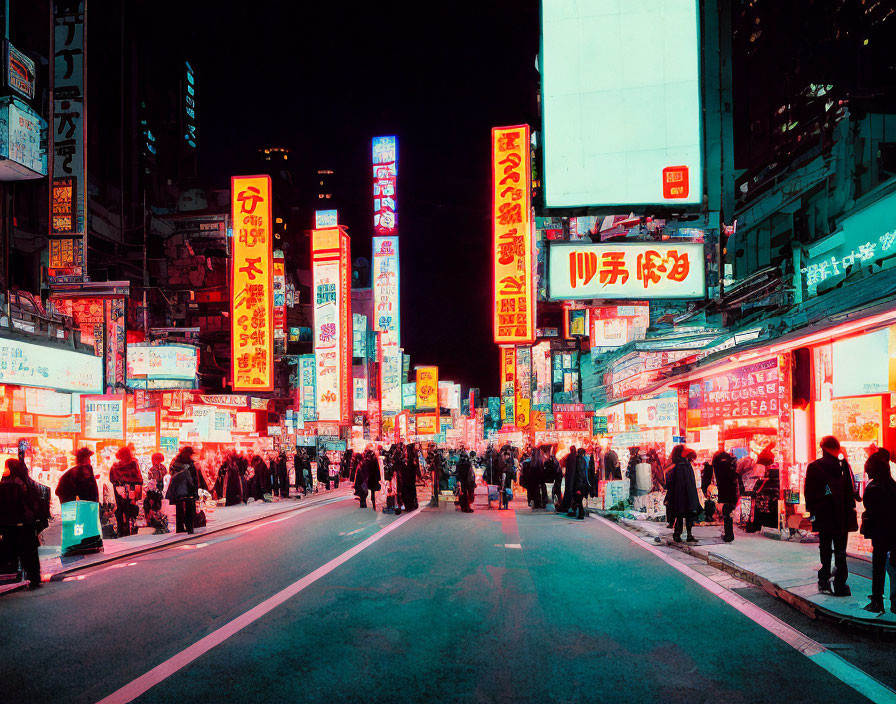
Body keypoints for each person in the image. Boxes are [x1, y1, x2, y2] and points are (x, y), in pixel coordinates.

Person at [804, 436, 859, 596]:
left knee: (825, 547)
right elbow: (851, 491)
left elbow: (809, 493)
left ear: (822, 448)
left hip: (823, 514)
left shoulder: (814, 466)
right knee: (841, 549)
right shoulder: (844, 466)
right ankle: (840, 584)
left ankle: (824, 579)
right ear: (837, 448)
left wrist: (812, 513)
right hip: (842, 514)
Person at [0, 458, 48, 588]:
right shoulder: (24, 483)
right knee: (29, 553)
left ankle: (15, 577)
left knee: (13, 552)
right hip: (26, 524)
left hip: (8, 525)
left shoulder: (4, 483)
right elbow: (33, 501)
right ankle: (33, 578)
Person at [861, 447, 896, 613]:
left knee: (879, 566)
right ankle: (894, 600)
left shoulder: (873, 487)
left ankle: (877, 601)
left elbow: (870, 509)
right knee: (893, 565)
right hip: (893, 531)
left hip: (880, 532)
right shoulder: (892, 485)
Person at [702, 446, 739, 542]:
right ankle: (729, 534)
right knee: (728, 511)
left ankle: (728, 534)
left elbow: (708, 477)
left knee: (726, 511)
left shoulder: (716, 463)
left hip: (721, 489)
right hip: (732, 489)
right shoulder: (731, 462)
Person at [665, 445, 700, 543]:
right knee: (689, 515)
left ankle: (677, 534)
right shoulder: (686, 465)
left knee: (679, 515)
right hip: (688, 494)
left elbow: (669, 482)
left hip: (678, 495)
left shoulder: (675, 465)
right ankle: (688, 535)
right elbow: (691, 481)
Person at [110, 447, 143, 537]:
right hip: (131, 489)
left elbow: (112, 479)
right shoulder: (133, 464)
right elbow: (138, 478)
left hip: (119, 490)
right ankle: (131, 527)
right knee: (130, 508)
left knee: (120, 508)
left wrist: (119, 483)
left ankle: (121, 529)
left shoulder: (115, 466)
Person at [166, 450, 196, 534]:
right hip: (186, 489)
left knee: (179, 509)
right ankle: (189, 527)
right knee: (189, 509)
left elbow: (171, 473)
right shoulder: (187, 466)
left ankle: (180, 528)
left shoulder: (174, 463)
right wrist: (194, 489)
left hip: (176, 489)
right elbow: (191, 480)